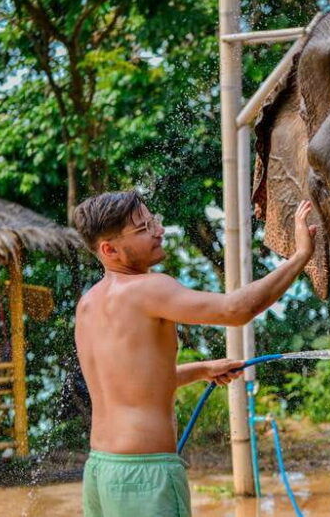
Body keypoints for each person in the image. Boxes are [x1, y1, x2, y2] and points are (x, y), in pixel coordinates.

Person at [72, 190, 316, 517]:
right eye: (143, 229)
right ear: (109, 249)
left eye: (152, 221)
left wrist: (201, 369)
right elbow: (236, 310)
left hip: (101, 471)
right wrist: (300, 256)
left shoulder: (88, 304)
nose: (159, 230)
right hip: (147, 476)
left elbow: (131, 385)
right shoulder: (149, 288)